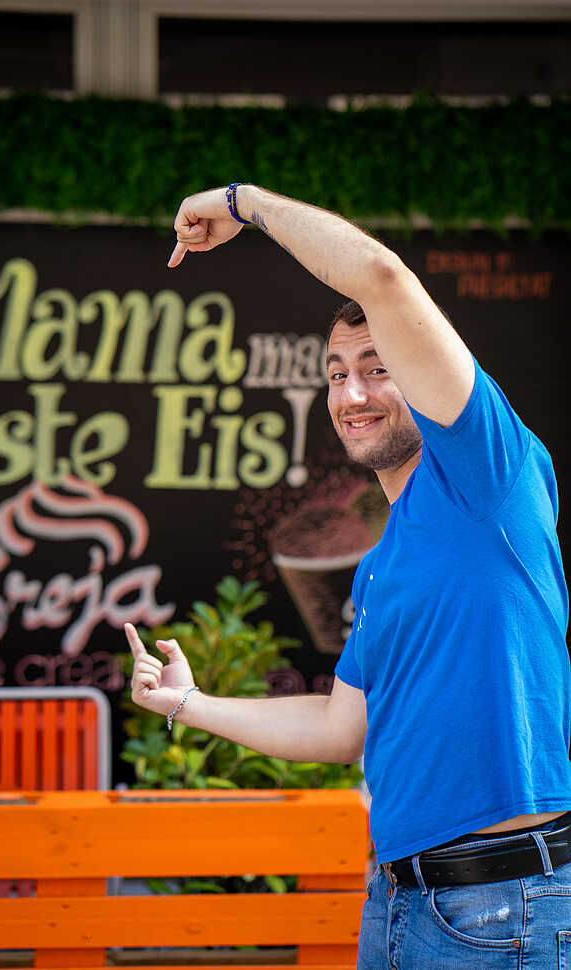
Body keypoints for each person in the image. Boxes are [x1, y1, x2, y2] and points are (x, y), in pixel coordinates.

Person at [125, 183, 571, 968]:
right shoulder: (378, 567)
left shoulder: (488, 474)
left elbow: (382, 280)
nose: (352, 393)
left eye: (377, 366)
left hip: (502, 907)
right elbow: (340, 732)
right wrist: (188, 704)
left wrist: (243, 203)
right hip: (398, 902)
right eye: (335, 374)